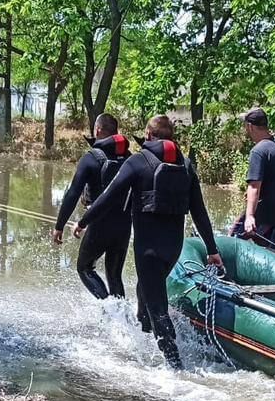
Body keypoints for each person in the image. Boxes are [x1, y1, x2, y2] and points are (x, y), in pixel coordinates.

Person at [72, 115, 223, 369]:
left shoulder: (138, 161)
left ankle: (176, 369)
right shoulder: (186, 166)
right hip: (173, 249)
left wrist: (84, 221)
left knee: (157, 308)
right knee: (144, 293)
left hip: (148, 251)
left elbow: (109, 197)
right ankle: (141, 342)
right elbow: (200, 212)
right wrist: (212, 250)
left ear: (149, 135)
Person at [52, 113, 132, 299]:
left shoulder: (91, 158)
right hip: (124, 224)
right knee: (114, 275)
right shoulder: (130, 158)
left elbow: (72, 194)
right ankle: (123, 318)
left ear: (97, 130)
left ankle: (109, 310)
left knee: (84, 268)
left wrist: (59, 226)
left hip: (99, 223)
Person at [229, 107, 275, 251]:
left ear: (250, 126)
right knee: (273, 257)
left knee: (231, 243)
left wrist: (250, 216)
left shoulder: (258, 151)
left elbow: (254, 186)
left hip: (262, 215)